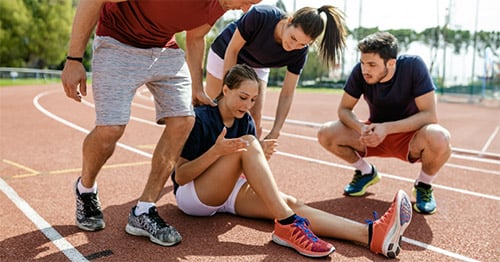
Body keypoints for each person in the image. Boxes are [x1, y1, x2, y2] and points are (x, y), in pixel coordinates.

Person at [60, 0, 262, 246]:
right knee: (111, 128)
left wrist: (196, 87)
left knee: (185, 120)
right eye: (247, 1)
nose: (245, 10)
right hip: (118, 42)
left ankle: (144, 210)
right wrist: (74, 58)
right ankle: (86, 189)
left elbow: (196, 37)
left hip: (164, 49)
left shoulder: (221, 4)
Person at [172, 64, 412, 258]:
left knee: (290, 204)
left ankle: (371, 235)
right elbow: (180, 177)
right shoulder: (202, 119)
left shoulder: (245, 120)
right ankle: (287, 225)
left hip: (230, 192)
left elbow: (245, 168)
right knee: (249, 145)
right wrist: (217, 152)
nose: (247, 106)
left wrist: (258, 158)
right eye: (243, 97)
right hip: (194, 196)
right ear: (225, 90)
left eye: (253, 100)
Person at [317, 32, 452, 215]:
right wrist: (362, 128)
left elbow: (429, 115)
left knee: (440, 136)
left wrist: (387, 128)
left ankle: (424, 185)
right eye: (363, 63)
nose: (365, 69)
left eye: (372, 64)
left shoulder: (413, 66)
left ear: (391, 63)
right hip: (373, 134)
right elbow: (344, 110)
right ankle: (366, 172)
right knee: (326, 133)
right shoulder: (360, 72)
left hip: (410, 136)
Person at [204, 4, 346, 138]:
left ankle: (244, 160)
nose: (293, 46)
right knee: (218, 110)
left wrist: (276, 131)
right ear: (289, 20)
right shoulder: (260, 15)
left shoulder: (300, 53)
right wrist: (230, 90)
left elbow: (287, 93)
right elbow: (232, 50)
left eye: (302, 44)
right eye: (293, 38)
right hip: (225, 53)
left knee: (254, 119)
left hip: (257, 65)